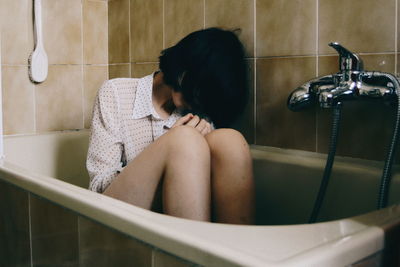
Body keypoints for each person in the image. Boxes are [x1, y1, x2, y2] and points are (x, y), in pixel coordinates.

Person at [87, 28, 255, 224]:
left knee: (231, 141)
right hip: (116, 214)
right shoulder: (115, 93)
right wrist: (166, 147)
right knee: (184, 140)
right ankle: (190, 252)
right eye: (201, 96)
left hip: (180, 214)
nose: (200, 107)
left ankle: (231, 252)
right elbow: (98, 189)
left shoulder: (202, 112)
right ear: (184, 76)